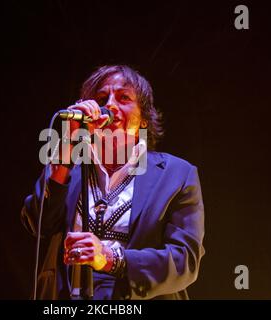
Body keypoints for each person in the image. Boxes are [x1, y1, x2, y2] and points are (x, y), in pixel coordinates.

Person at [21, 65, 205, 300]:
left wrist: (109, 258)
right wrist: (68, 141)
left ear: (144, 119)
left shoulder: (177, 175)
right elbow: (38, 225)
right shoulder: (69, 169)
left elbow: (184, 261)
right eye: (101, 98)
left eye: (123, 97)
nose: (110, 105)